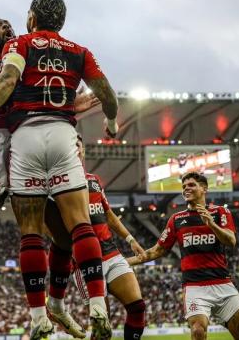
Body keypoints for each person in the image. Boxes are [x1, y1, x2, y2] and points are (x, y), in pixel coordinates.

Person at [0, 0, 119, 340]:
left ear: (30, 17)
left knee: (31, 231)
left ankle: (39, 317)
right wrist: (112, 120)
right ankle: (98, 307)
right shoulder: (80, 51)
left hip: (25, 138)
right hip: (63, 135)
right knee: (80, 225)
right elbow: (108, 93)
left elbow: (7, 82)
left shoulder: (20, 45)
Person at [127, 172, 239, 340]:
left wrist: (211, 223)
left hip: (223, 284)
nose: (186, 188)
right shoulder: (177, 219)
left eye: (191, 185)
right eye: (184, 186)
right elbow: (156, 251)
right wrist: (122, 262)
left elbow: (231, 241)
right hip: (195, 287)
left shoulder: (220, 212)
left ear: (204, 189)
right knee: (198, 331)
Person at [45, 137, 147, 340]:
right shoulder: (55, 182)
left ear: (83, 150)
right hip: (84, 262)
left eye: (77, 145)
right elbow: (49, 225)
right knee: (102, 324)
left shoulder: (93, 180)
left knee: (138, 308)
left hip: (111, 253)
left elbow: (108, 214)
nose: (74, 148)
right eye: (69, 144)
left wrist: (130, 239)